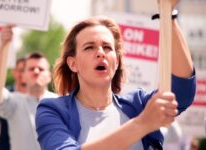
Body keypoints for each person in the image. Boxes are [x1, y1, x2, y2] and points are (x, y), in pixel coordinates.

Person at [35, 1, 196, 150]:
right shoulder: (52, 110)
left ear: (117, 61)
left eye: (107, 47)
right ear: (72, 64)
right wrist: (142, 124)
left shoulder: (138, 105)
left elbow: (182, 90)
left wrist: (167, 15)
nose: (100, 53)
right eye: (89, 47)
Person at [0, 25, 57, 150]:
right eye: (31, 69)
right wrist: (3, 46)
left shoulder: (62, 103)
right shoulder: (13, 102)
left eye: (41, 69)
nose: (36, 71)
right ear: (22, 76)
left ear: (49, 76)